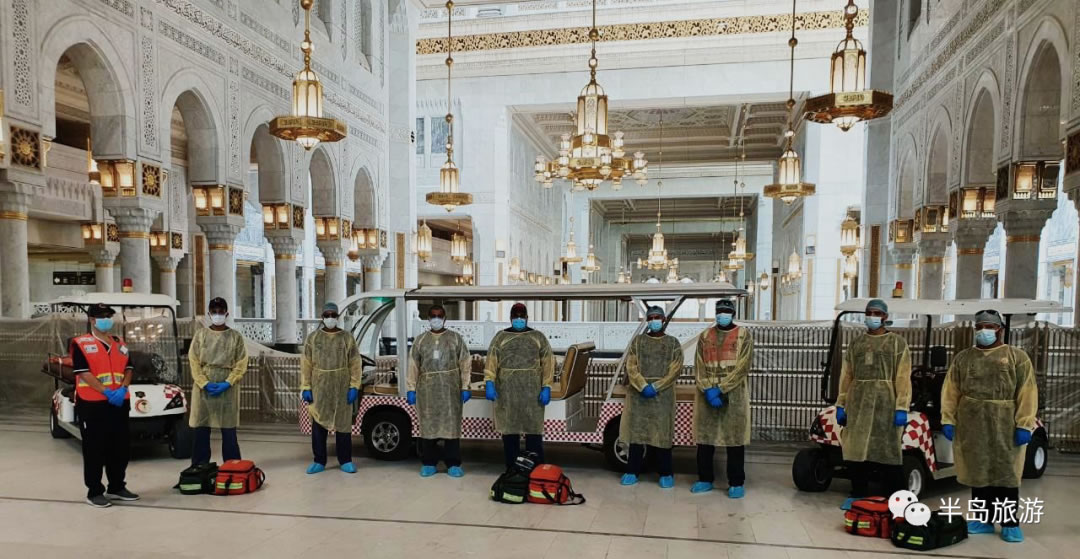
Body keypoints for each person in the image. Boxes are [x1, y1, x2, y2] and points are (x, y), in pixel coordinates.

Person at [941, 309, 1037, 544]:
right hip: (972, 422)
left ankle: (1009, 523)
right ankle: (983, 520)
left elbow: (1027, 391)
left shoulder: (1017, 357)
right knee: (979, 473)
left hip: (1005, 423)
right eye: (980, 327)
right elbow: (951, 390)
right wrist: (948, 418)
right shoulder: (964, 358)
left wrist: (1024, 423)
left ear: (1000, 330)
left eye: (989, 327)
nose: (984, 331)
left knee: (1006, 474)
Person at [835, 298, 911, 510]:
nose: (872, 317)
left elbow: (903, 377)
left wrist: (901, 406)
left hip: (886, 403)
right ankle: (857, 494)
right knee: (856, 450)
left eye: (877, 313)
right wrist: (841, 403)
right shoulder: (857, 343)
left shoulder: (897, 343)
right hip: (858, 403)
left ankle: (896, 499)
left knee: (887, 451)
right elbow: (847, 375)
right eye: (869, 313)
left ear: (885, 317)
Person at [70, 303, 139, 507]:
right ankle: (94, 491)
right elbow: (83, 373)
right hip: (93, 403)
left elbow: (129, 368)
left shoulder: (119, 343)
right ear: (92, 320)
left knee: (120, 447)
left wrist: (123, 388)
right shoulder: (81, 344)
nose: (107, 320)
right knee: (94, 449)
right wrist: (106, 392)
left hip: (119, 402)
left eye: (109, 316)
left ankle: (116, 486)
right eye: (103, 316)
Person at [692, 299, 753, 498]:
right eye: (719, 311)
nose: (722, 315)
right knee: (705, 438)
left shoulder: (743, 335)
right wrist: (708, 389)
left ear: (733, 313)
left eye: (726, 311)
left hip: (734, 395)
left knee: (734, 439)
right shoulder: (705, 336)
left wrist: (720, 388)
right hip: (707, 395)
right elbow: (699, 365)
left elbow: (743, 367)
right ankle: (704, 479)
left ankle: (736, 482)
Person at [619, 306, 684, 489]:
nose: (654, 321)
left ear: (663, 320)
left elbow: (675, 369)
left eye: (657, 317)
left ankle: (665, 473)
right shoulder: (638, 342)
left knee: (662, 435)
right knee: (637, 435)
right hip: (638, 395)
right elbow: (631, 366)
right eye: (651, 318)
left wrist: (656, 386)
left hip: (663, 396)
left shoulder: (672, 343)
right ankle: (632, 471)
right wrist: (642, 385)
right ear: (647, 321)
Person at [484, 302, 555, 470]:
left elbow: (548, 362)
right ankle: (513, 469)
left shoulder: (538, 337)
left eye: (522, 316)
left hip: (532, 392)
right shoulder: (500, 337)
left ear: (527, 317)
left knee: (533, 432)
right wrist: (489, 381)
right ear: (510, 318)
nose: (519, 319)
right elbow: (491, 360)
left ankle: (536, 470)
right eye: (515, 316)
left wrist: (547, 386)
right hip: (507, 391)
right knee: (510, 432)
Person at [407, 304, 472, 478]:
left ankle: (453, 463)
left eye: (439, 316)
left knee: (451, 426)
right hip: (427, 390)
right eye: (433, 316)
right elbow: (413, 365)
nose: (436, 319)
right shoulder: (421, 340)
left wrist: (465, 386)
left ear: (445, 318)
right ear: (428, 318)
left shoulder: (455, 338)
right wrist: (411, 388)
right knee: (429, 425)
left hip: (451, 389)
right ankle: (429, 462)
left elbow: (465, 363)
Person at [301, 302, 363, 474]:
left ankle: (345, 460)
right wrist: (306, 386)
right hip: (319, 387)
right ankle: (319, 460)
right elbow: (306, 363)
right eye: (327, 315)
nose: (330, 318)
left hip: (342, 386)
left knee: (343, 425)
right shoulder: (313, 338)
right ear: (322, 317)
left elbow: (355, 362)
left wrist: (354, 386)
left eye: (333, 315)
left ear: (337, 317)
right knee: (319, 424)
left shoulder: (347, 338)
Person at [188, 297, 249, 465]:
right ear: (209, 314)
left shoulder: (235, 337)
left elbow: (241, 362)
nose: (217, 315)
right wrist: (203, 382)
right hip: (203, 389)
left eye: (220, 311)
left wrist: (228, 382)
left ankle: (233, 468)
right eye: (214, 312)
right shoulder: (201, 335)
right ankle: (199, 467)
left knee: (229, 431)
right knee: (201, 430)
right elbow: (194, 361)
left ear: (226, 314)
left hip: (227, 389)